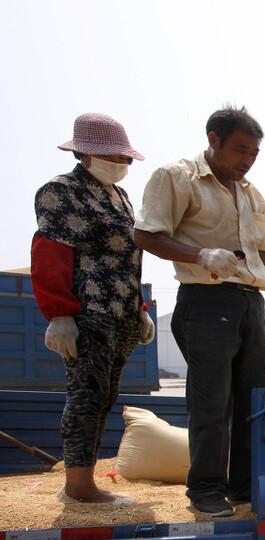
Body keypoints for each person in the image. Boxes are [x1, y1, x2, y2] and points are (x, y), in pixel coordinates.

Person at [134, 106, 265, 517]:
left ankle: (243, 486)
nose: (246, 160)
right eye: (240, 150)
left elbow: (264, 246)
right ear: (213, 139)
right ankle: (206, 489)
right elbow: (145, 234)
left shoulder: (249, 192)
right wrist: (200, 254)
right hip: (205, 301)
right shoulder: (176, 177)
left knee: (252, 400)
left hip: (249, 300)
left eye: (254, 153)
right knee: (212, 402)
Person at [31, 113, 154, 504]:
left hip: (121, 312)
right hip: (88, 312)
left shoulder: (119, 196)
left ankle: (85, 479)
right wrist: (59, 313)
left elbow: (128, 258)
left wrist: (141, 309)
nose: (122, 165)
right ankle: (79, 486)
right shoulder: (61, 192)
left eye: (126, 159)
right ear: (84, 153)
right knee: (86, 393)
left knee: (105, 395)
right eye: (113, 157)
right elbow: (49, 253)